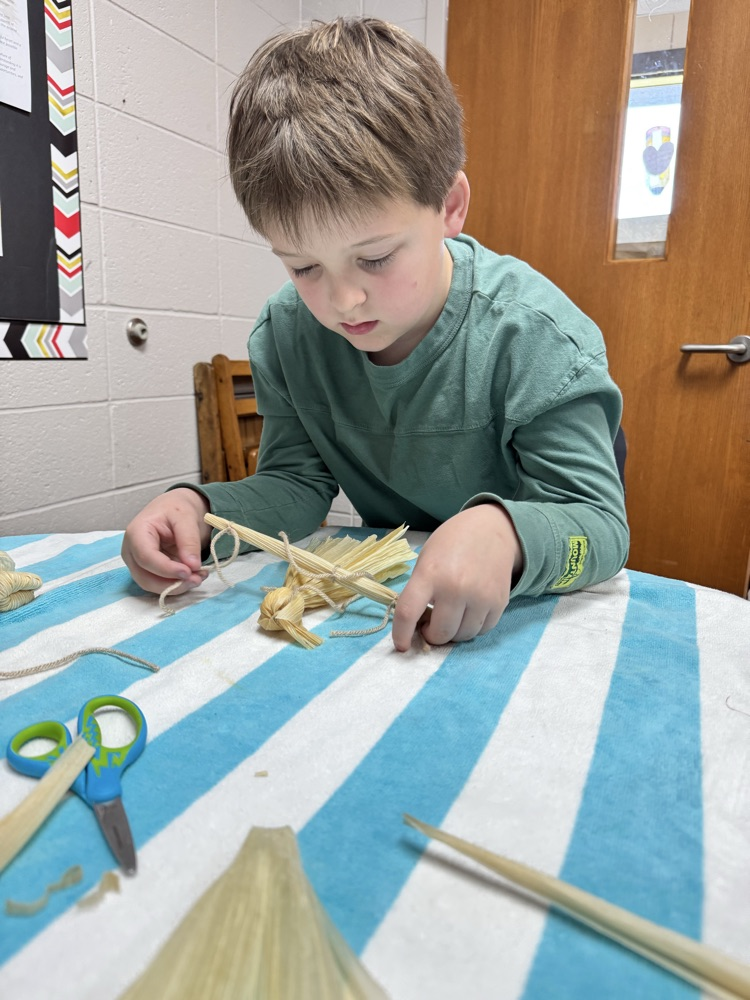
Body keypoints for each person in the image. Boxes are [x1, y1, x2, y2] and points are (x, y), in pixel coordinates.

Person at [122, 16, 629, 651]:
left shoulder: (537, 337)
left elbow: (601, 529)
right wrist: (200, 513)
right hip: (394, 616)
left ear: (448, 206)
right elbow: (295, 488)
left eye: (378, 257)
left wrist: (507, 535)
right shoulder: (287, 334)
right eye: (304, 265)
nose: (342, 300)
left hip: (530, 619)